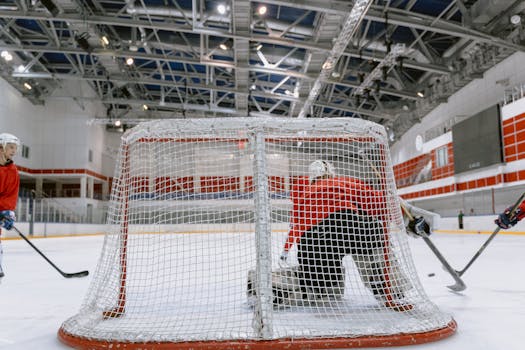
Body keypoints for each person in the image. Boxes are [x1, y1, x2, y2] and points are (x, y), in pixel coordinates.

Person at [277, 160, 420, 310]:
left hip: (314, 239)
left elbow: (296, 228)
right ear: (331, 172)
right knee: (373, 237)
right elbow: (378, 202)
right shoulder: (342, 182)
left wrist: (286, 251)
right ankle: (391, 292)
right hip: (347, 223)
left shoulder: (303, 196)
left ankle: (324, 291)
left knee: (316, 264)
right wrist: (405, 214)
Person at [0, 133, 21, 279]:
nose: (14, 151)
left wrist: (7, 211)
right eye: (11, 147)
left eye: (15, 148)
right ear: (1, 147)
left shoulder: (12, 171)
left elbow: (11, 194)